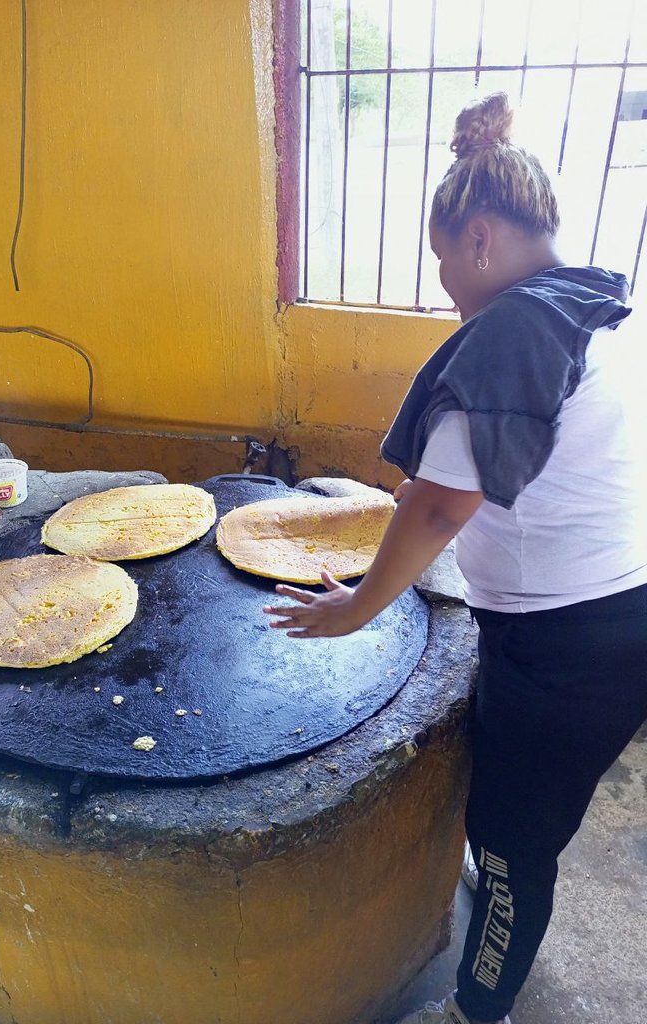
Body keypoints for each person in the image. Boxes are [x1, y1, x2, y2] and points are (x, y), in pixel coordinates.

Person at [264, 92, 647, 1024]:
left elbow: (439, 505)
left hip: (569, 649)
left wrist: (358, 606)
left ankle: (478, 1008)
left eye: (443, 262)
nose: (446, 285)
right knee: (514, 811)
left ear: (480, 238)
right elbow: (506, 473)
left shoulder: (518, 330)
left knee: (519, 845)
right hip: (602, 618)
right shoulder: (597, 302)